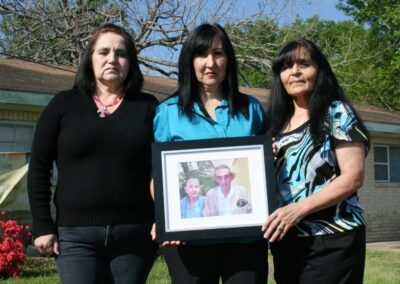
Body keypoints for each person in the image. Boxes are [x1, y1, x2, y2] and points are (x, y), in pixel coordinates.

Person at [27, 23, 158, 284]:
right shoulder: (63, 104)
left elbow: (162, 170)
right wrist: (43, 225)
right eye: (104, 52)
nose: (112, 59)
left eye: (121, 53)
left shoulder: (148, 108)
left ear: (130, 62)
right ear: (90, 58)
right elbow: (39, 167)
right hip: (76, 238)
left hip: (135, 237)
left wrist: (164, 219)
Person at [153, 23, 268, 284]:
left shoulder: (252, 109)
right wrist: (165, 216)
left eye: (218, 53)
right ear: (189, 60)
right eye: (201, 54)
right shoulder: (168, 113)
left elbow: (265, 166)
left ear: (228, 59)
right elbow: (157, 176)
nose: (210, 63)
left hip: (245, 240)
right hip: (188, 240)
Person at [262, 38, 370, 284]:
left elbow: (353, 177)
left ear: (319, 70)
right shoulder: (273, 124)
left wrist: (298, 210)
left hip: (333, 237)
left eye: (304, 64)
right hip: (286, 240)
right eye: (287, 66)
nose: (295, 71)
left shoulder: (336, 112)